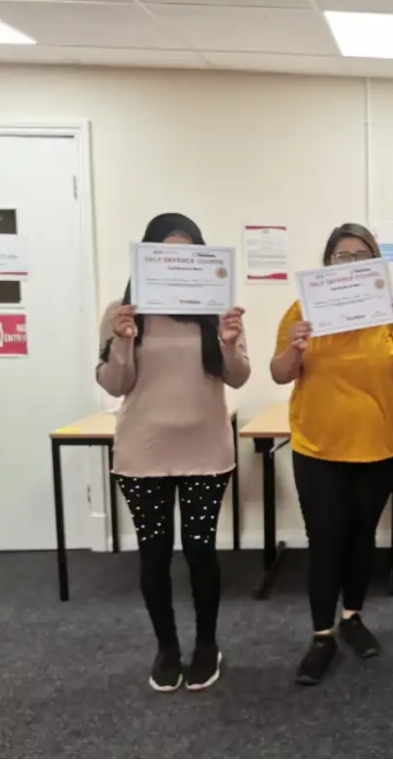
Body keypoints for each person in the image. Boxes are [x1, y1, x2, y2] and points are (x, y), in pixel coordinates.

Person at [96, 213, 250, 693]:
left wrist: (228, 344)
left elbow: (238, 377)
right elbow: (114, 384)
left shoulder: (218, 311)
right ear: (147, 258)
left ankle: (206, 644)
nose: (177, 264)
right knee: (154, 553)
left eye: (188, 255)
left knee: (201, 551)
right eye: (166, 254)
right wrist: (123, 342)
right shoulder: (122, 312)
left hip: (205, 449)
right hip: (143, 452)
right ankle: (166, 648)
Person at [270, 222, 393, 686]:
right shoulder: (303, 309)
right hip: (319, 445)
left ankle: (352, 617)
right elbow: (279, 373)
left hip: (380, 443)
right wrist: (294, 348)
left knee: (361, 536)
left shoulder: (392, 311)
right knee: (325, 539)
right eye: (343, 257)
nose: (352, 264)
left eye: (362, 257)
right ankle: (322, 636)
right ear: (328, 262)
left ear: (375, 262)